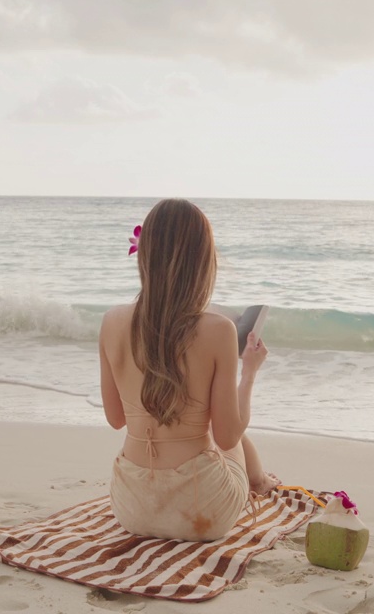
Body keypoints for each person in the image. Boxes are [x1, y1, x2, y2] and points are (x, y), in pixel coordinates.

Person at [99, 198, 278, 542]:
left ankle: (257, 478)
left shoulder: (111, 322)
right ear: (204, 262)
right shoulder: (218, 330)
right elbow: (228, 435)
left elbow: (116, 418)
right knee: (230, 437)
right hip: (202, 510)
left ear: (145, 255)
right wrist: (250, 371)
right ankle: (259, 481)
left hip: (132, 507)